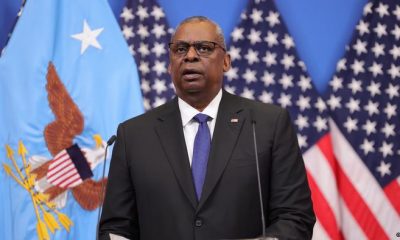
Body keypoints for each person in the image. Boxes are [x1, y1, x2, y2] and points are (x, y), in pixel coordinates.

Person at [99, 16, 315, 240]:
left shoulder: (267, 124)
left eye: (204, 48)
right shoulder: (133, 135)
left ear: (226, 62)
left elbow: (295, 218)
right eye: (180, 49)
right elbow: (115, 229)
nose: (190, 56)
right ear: (169, 64)